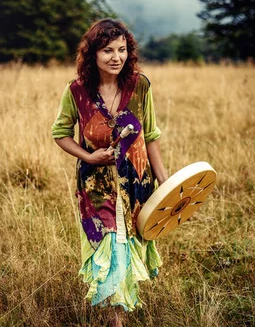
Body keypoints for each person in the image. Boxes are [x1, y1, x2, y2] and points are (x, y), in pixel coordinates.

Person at [52, 19, 168, 326]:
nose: (117, 57)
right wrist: (88, 155)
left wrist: (166, 181)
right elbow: (60, 133)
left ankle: (117, 311)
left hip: (137, 183)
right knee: (112, 246)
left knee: (129, 246)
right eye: (107, 51)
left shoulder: (140, 86)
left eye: (122, 49)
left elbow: (151, 136)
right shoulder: (77, 91)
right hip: (96, 187)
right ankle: (117, 320)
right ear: (92, 54)